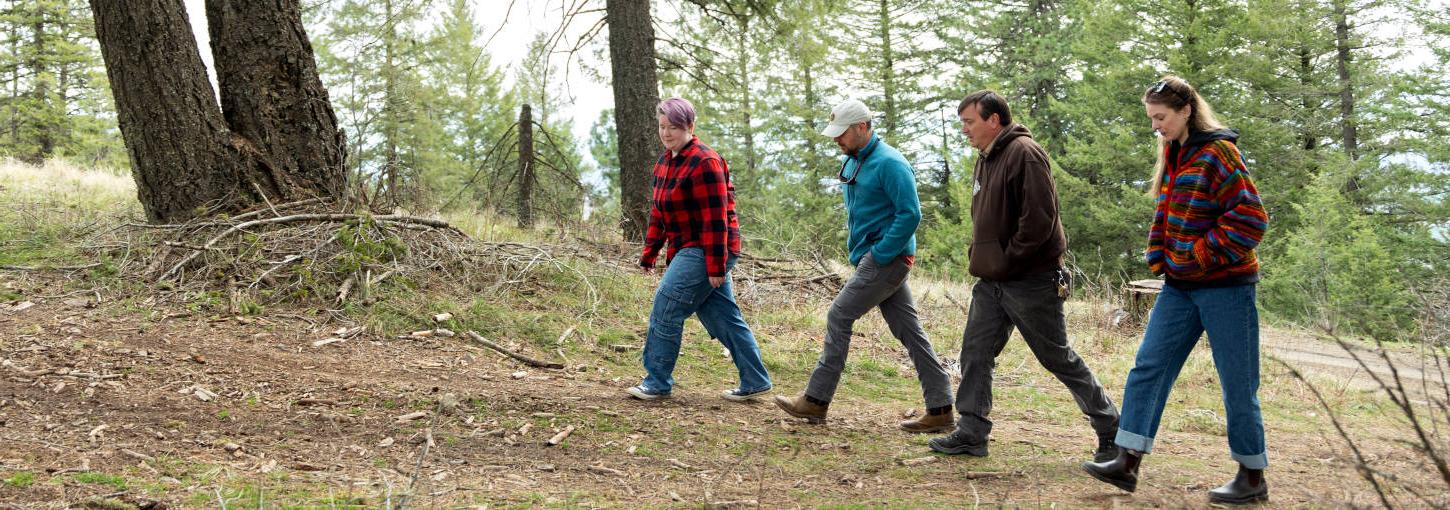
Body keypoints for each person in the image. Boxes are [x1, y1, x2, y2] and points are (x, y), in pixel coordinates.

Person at [1081, 76, 1271, 505]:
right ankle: (1126, 462)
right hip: (1179, 289)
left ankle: (1252, 476)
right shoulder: (1176, 151)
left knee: (1238, 385)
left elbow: (1252, 219)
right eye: (1151, 119)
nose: (1156, 127)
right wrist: (1162, 256)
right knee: (1148, 367)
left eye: (1161, 117)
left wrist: (1198, 255)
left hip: (1227, 288)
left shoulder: (1219, 153)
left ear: (1186, 110)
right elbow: (1168, 214)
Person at [928, 91, 1120, 461]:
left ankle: (1111, 427)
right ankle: (971, 432)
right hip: (993, 282)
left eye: (969, 122)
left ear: (993, 120)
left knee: (1056, 357)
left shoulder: (1025, 154)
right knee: (976, 353)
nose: (964, 130)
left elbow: (1039, 221)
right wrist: (984, 259)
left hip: (1031, 280)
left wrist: (1008, 260)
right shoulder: (987, 158)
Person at [773, 99, 955, 433]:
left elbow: (911, 214)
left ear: (862, 127)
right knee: (911, 333)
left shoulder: (890, 163)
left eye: (841, 133)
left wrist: (881, 254)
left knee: (839, 315)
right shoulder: (857, 160)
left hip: (885, 260)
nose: (836, 140)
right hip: (878, 259)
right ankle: (941, 408)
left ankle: (816, 400)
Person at [628, 97, 772, 402]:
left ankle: (657, 382)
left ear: (690, 126)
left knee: (666, 307)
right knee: (721, 315)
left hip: (708, 247)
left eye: (674, 127)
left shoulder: (706, 161)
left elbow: (716, 218)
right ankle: (755, 379)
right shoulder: (665, 162)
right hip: (686, 248)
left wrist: (715, 266)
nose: (666, 133)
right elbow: (659, 213)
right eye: (662, 127)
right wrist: (649, 254)